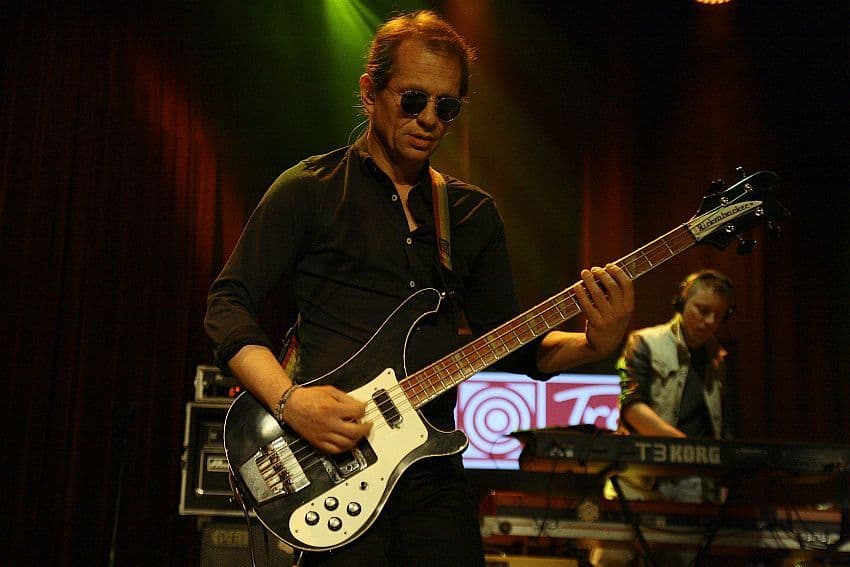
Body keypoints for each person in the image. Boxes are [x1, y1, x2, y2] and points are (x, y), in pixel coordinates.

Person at [205, 10, 633, 567]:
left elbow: (511, 349)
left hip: (434, 476)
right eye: (413, 100)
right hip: (331, 466)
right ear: (370, 92)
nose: (429, 118)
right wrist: (291, 402)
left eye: (446, 107)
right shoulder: (310, 189)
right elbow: (227, 304)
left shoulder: (471, 215)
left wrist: (594, 345)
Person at [612, 269, 736, 502]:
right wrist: (687, 449)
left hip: (700, 483)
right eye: (703, 310)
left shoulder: (719, 359)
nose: (710, 321)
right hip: (645, 480)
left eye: (718, 316)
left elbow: (725, 426)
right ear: (681, 304)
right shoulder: (645, 342)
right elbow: (632, 407)